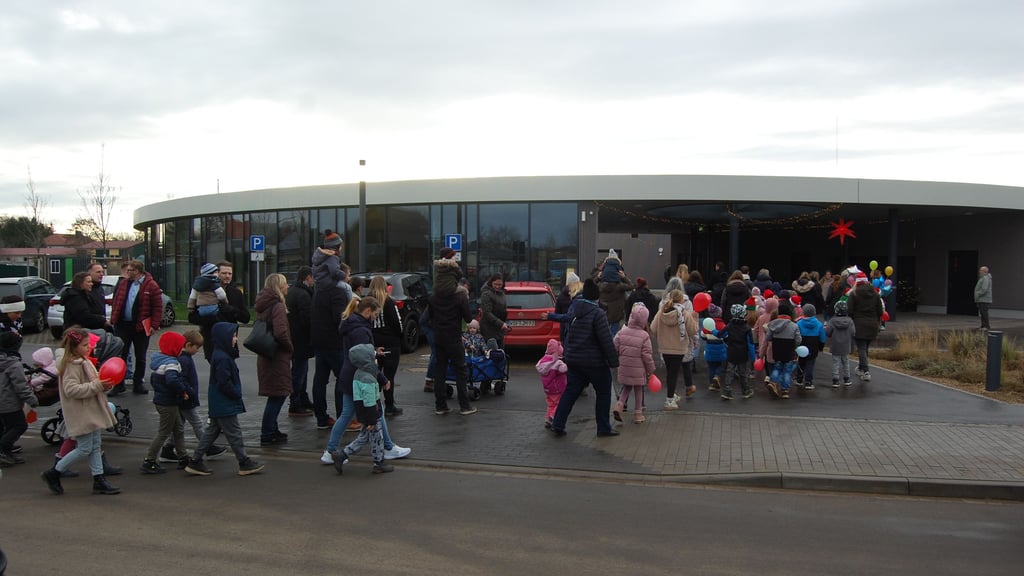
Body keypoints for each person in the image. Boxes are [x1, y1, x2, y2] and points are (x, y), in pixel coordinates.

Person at [322, 296, 411, 466]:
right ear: (368, 311)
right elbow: (365, 361)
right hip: (362, 377)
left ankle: (331, 450)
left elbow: (358, 353)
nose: (376, 318)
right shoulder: (361, 330)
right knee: (377, 411)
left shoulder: (351, 325)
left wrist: (374, 351)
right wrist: (382, 377)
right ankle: (387, 447)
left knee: (348, 414)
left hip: (349, 375)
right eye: (376, 314)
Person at [40, 328, 121, 495]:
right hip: (82, 412)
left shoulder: (83, 360)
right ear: (74, 346)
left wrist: (104, 382)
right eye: (85, 345)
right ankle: (55, 472)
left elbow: (92, 380)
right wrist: (98, 385)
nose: (88, 348)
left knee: (95, 446)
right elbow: (71, 390)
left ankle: (99, 479)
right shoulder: (71, 364)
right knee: (84, 448)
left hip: (91, 410)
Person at [184, 322, 264, 476]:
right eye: (233, 336)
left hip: (218, 401)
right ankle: (244, 461)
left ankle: (195, 461)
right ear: (224, 337)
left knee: (211, 432)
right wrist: (235, 393)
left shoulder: (221, 355)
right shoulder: (223, 358)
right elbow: (224, 382)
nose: (236, 339)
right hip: (224, 401)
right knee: (234, 433)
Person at [549, 279, 619, 437]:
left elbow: (569, 334)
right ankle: (603, 427)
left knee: (570, 392)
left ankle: (558, 424)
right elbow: (606, 340)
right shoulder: (597, 313)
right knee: (603, 393)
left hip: (574, 360)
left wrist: (568, 354)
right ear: (596, 297)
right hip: (595, 363)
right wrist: (614, 361)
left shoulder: (574, 311)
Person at [157, 330, 227, 463]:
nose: (198, 350)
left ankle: (167, 449)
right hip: (186, 398)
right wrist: (189, 392)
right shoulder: (184, 360)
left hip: (183, 398)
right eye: (197, 347)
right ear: (188, 345)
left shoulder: (183, 358)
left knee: (179, 425)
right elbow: (181, 379)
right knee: (197, 423)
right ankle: (207, 447)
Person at [332, 343, 395, 475]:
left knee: (364, 437)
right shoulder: (368, 379)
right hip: (371, 414)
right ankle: (378, 463)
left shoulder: (360, 373)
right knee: (377, 439)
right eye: (374, 357)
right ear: (368, 361)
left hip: (365, 413)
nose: (376, 360)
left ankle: (342, 455)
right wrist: (372, 420)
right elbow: (369, 402)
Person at [310, 231, 352, 429]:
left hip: (319, 340)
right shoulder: (336, 290)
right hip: (334, 342)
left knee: (320, 379)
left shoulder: (319, 288)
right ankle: (343, 417)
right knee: (342, 379)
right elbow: (340, 319)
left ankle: (321, 418)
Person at [110, 260, 163, 395]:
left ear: (137, 271)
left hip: (140, 326)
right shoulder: (123, 283)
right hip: (122, 325)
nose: (127, 273)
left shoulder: (151, 285)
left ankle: (138, 383)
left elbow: (157, 307)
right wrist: (113, 319)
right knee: (120, 354)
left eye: (129, 270)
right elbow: (117, 300)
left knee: (140, 356)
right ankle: (118, 384)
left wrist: (154, 325)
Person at [140, 332, 189, 474]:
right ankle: (149, 459)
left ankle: (183, 455)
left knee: (178, 428)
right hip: (169, 403)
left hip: (162, 400)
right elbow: (172, 380)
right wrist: (182, 391)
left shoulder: (159, 360)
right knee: (164, 432)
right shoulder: (172, 363)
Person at [430, 274, 478, 416]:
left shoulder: (433, 297)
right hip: (453, 336)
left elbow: (429, 317)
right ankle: (464, 406)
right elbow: (468, 317)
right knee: (460, 370)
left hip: (438, 337)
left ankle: (440, 405)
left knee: (440, 371)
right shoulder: (460, 297)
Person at [255, 273, 293, 446]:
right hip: (277, 356)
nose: (287, 286)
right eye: (285, 284)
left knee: (276, 394)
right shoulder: (277, 306)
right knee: (278, 395)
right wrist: (289, 347)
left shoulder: (263, 304)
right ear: (279, 286)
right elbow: (281, 332)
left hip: (266, 354)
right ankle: (268, 432)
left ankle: (272, 429)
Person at [651, 289, 698, 410]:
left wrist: (663, 336)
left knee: (670, 373)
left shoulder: (661, 312)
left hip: (665, 348)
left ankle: (672, 395)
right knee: (673, 373)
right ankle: (669, 399)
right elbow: (692, 330)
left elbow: (653, 328)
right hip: (679, 347)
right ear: (681, 299)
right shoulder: (684, 313)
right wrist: (696, 319)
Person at [613, 304, 655, 425]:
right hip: (638, 368)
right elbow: (647, 355)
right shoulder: (644, 336)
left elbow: (614, 346)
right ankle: (638, 414)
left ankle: (619, 406)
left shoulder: (622, 332)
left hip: (624, 366)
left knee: (626, 387)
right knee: (638, 389)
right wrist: (651, 370)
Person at [368, 276, 404, 417]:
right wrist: (398, 337)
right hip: (390, 343)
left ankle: (373, 403)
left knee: (373, 374)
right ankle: (389, 405)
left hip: (373, 342)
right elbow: (397, 324)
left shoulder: (367, 302)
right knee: (389, 376)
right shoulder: (389, 302)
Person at [1, 331, 37, 467]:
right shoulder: (13, 364)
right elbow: (21, 386)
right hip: (9, 403)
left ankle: (6, 451)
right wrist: (32, 400)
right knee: (19, 425)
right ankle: (3, 449)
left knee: (5, 427)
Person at [286, 266, 315, 416]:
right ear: (308, 277)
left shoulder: (292, 291)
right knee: (299, 372)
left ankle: (302, 399)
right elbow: (307, 319)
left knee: (300, 370)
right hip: (301, 339)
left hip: (295, 338)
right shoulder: (303, 294)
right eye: (313, 278)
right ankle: (296, 402)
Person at [847, 271, 884, 382]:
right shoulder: (875, 293)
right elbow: (880, 311)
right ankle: (862, 368)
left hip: (859, 324)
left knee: (861, 348)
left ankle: (866, 370)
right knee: (865, 347)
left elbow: (850, 310)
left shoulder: (854, 293)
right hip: (872, 324)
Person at [478, 274, 509, 393]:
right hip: (489, 329)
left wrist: (502, 323)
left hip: (499, 329)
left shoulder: (502, 293)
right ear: (491, 283)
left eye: (500, 285)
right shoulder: (486, 294)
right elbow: (487, 313)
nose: (497, 286)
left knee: (499, 355)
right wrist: (500, 323)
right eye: (495, 284)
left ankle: (496, 378)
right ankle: (485, 382)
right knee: (488, 356)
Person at [764, 301, 801, 399]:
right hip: (789, 349)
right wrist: (795, 346)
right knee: (787, 371)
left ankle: (773, 382)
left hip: (777, 348)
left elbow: (768, 337)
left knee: (777, 367)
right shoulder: (794, 326)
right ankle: (785, 390)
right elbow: (798, 340)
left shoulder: (772, 324)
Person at [720, 303, 756, 400]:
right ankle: (745, 390)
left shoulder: (729, 326)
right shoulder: (747, 328)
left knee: (730, 371)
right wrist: (753, 357)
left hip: (731, 352)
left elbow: (721, 334)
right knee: (743, 372)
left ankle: (727, 390)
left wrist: (714, 331)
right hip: (743, 353)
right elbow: (750, 343)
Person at [311, 230, 353, 299]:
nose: (341, 248)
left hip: (319, 284)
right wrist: (344, 275)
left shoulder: (319, 256)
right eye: (340, 246)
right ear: (336, 246)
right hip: (328, 283)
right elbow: (334, 272)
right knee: (347, 287)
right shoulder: (332, 257)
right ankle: (351, 305)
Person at [536, 338, 567, 429]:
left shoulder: (543, 360)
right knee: (558, 404)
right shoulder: (557, 362)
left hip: (548, 389)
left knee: (551, 404)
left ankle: (547, 420)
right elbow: (564, 369)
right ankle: (553, 417)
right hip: (557, 388)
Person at [795, 304, 826, 391]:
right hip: (814, 344)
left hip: (802, 343)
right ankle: (808, 382)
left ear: (803, 312)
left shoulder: (799, 323)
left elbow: (797, 335)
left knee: (801, 361)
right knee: (810, 363)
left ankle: (799, 379)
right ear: (814, 313)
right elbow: (822, 337)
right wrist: (821, 346)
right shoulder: (819, 324)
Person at [827, 301, 856, 388]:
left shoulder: (832, 321)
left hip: (835, 345)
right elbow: (853, 332)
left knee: (835, 362)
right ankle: (846, 378)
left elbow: (828, 332)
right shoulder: (850, 321)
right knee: (846, 362)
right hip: (846, 345)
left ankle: (835, 380)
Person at [598, 269, 632, 337]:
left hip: (604, 313)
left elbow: (592, 284)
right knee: (615, 335)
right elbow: (631, 286)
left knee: (603, 335)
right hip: (616, 314)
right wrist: (624, 277)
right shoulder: (619, 286)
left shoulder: (601, 286)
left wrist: (598, 278)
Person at [701, 304, 727, 391]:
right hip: (720, 348)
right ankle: (717, 376)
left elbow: (703, 336)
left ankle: (711, 383)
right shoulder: (723, 325)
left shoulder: (707, 324)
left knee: (711, 367)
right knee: (719, 365)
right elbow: (726, 335)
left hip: (709, 348)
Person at [974, 266, 992, 330]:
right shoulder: (983, 278)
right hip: (982, 299)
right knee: (982, 312)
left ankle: (986, 326)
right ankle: (983, 325)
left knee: (984, 313)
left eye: (981, 270)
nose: (979, 271)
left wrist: (978, 294)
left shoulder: (985, 278)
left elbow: (984, 289)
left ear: (984, 271)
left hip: (984, 299)